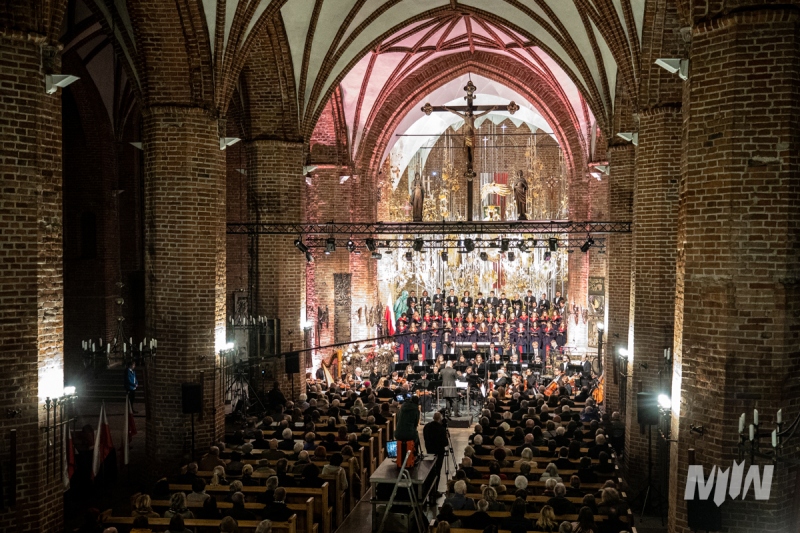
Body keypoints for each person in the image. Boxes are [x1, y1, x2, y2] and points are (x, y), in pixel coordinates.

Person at [423, 411, 448, 495]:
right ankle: (434, 490)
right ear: (440, 419)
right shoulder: (441, 429)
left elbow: (425, 438)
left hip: (429, 451)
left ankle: (428, 490)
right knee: (437, 471)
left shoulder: (426, 427)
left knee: (429, 471)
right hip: (439, 453)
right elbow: (445, 443)